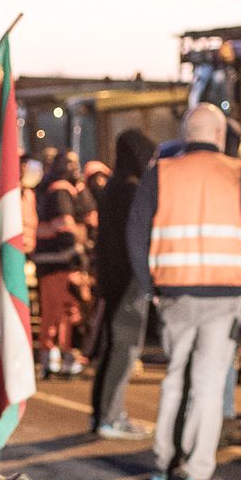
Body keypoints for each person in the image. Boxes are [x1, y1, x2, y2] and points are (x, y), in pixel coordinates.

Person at [124, 103, 241, 480]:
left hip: (174, 293)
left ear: (186, 134)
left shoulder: (161, 174)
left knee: (175, 378)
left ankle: (162, 463)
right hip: (226, 296)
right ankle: (197, 472)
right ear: (221, 136)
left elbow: (136, 234)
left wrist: (149, 286)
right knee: (208, 385)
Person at [86, 128, 156, 438]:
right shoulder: (129, 189)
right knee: (123, 348)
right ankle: (110, 417)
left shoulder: (115, 186)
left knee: (113, 346)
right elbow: (136, 239)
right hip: (128, 279)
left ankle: (104, 414)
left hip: (113, 278)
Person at [33, 150, 91, 376]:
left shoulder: (56, 188)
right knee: (62, 310)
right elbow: (64, 226)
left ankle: (57, 356)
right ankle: (55, 355)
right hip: (60, 261)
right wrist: (77, 255)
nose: (74, 168)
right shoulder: (61, 190)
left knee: (62, 311)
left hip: (54, 261)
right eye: (69, 163)